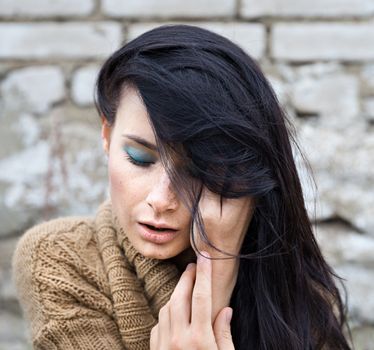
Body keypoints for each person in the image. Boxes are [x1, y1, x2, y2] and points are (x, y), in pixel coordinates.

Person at [12, 24, 352, 350]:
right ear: (106, 134)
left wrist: (220, 255)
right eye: (139, 158)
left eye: (197, 170)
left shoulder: (292, 293)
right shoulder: (58, 259)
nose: (161, 199)